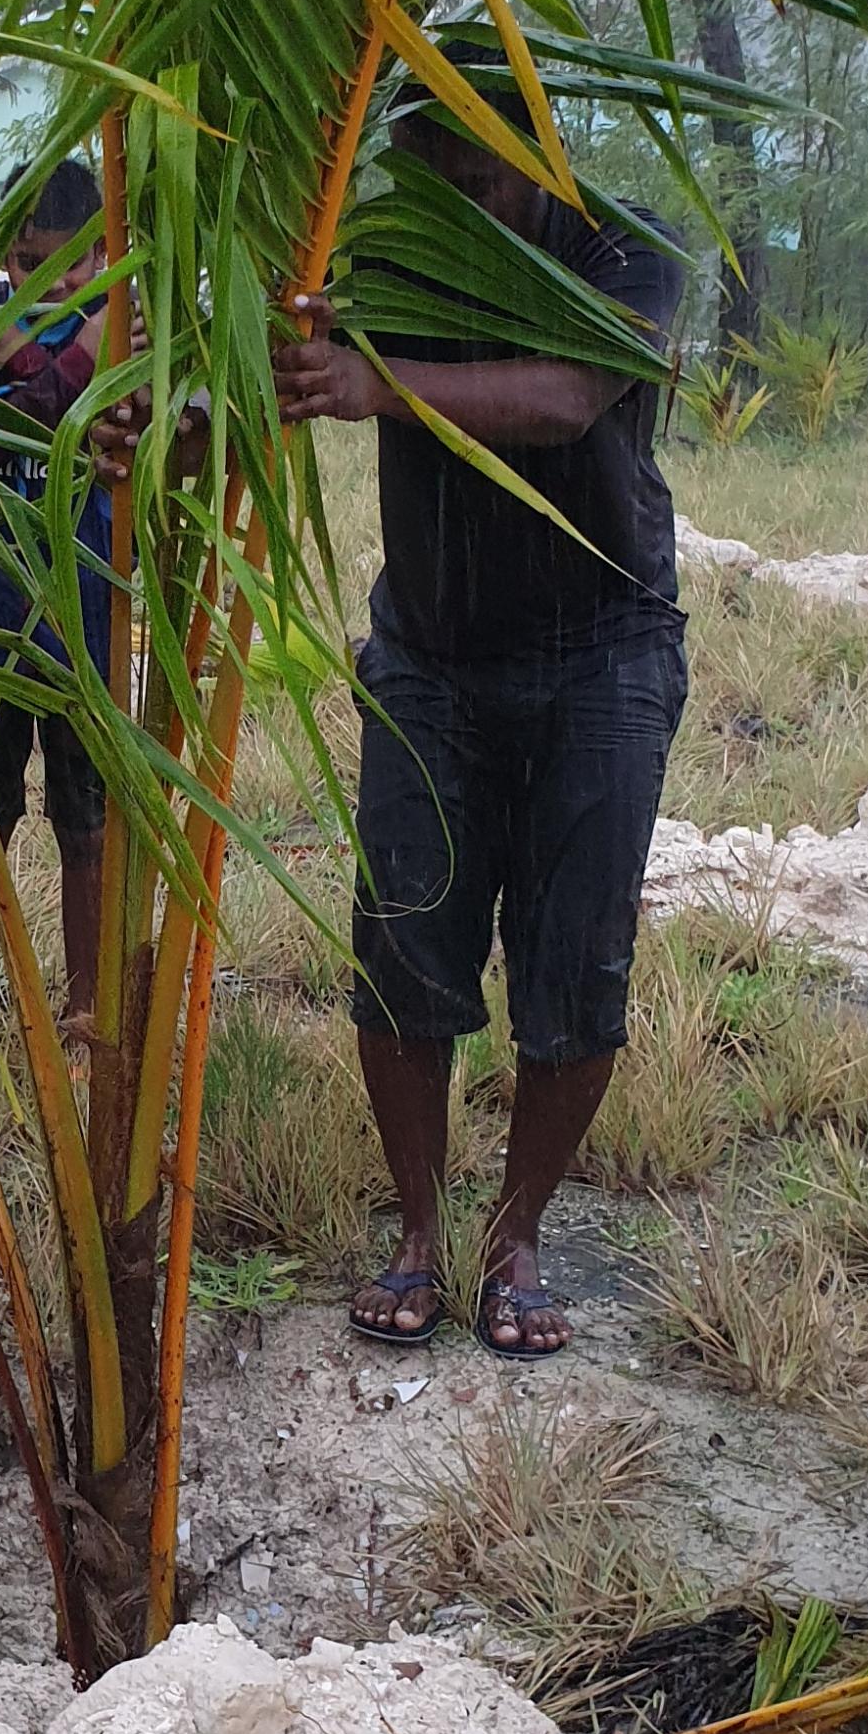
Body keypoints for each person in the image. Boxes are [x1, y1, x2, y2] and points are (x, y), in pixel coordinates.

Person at [273, 70, 686, 1358]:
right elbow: (289, 367)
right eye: (429, 171)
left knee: (578, 967)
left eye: (482, 171)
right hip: (431, 656)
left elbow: (567, 400)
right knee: (401, 946)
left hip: (604, 651)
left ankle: (516, 1237)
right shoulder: (389, 262)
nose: (457, 197)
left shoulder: (629, 251)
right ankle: (415, 1232)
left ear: (540, 154)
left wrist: (376, 384)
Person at [0, 158, 113, 1059]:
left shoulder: (116, 319)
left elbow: (59, 405)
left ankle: (84, 1014)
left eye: (60, 264)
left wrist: (23, 364)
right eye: (22, 259)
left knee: (84, 817)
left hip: (85, 612)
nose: (36, 279)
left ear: (95, 254)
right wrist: (28, 375)